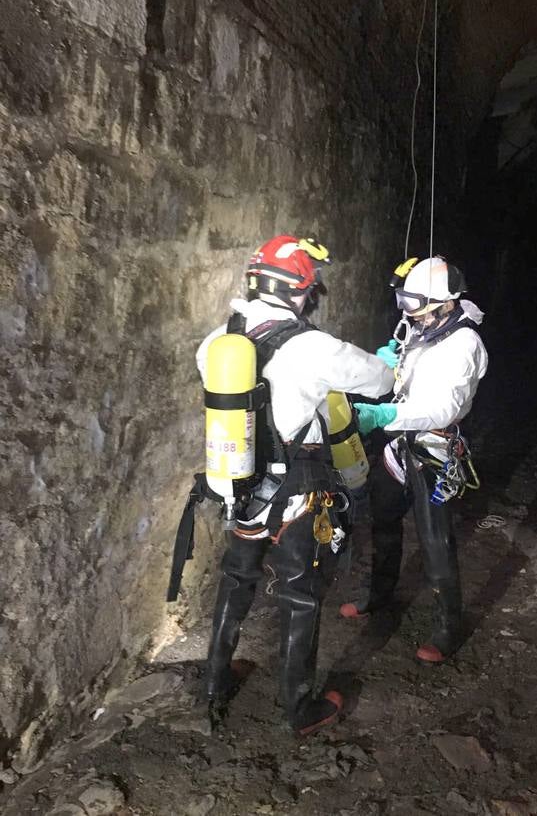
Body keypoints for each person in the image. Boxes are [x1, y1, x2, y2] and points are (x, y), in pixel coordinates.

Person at [196, 235, 394, 735]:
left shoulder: (218, 343)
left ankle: (214, 684)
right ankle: (298, 707)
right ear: (300, 291)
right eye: (311, 291)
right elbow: (380, 381)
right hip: (296, 492)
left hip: (239, 486)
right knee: (299, 594)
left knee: (236, 580)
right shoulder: (313, 347)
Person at [340, 256, 488, 663]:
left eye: (412, 302)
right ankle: (380, 595)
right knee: (384, 520)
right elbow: (402, 379)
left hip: (434, 453)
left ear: (443, 302)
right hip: (398, 449)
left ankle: (447, 625)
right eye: (402, 300)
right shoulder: (423, 329)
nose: (406, 311)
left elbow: (441, 409)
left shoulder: (463, 344)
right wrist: (387, 362)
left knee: (435, 539)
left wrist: (385, 415)